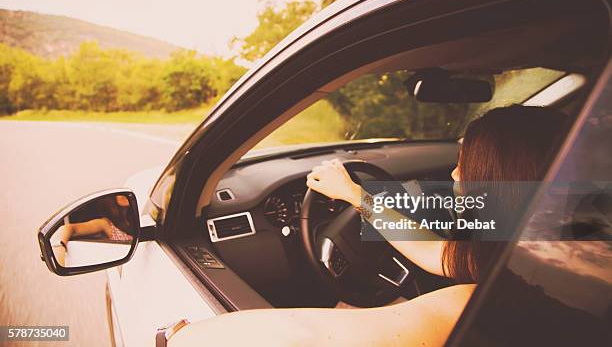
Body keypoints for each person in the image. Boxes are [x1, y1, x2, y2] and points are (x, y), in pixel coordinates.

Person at [169, 105, 567, 347]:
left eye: (467, 163)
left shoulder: (487, 305)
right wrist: (355, 196)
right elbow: (438, 253)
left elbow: (303, 337)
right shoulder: (560, 245)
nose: (454, 172)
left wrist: (185, 334)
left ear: (497, 181)